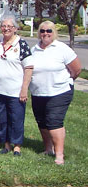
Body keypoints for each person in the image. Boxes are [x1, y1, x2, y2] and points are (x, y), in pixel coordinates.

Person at [29, 21, 81, 165]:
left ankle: (59, 155)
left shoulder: (62, 48)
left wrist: (66, 80)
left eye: (49, 31)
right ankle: (48, 149)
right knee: (42, 122)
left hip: (59, 91)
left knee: (54, 122)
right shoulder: (34, 49)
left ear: (54, 33)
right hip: (38, 92)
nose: (45, 34)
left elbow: (76, 69)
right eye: (43, 31)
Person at [0, 16, 33, 156]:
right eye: (3, 26)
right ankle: (6, 144)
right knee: (1, 118)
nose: (6, 28)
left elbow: (29, 68)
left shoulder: (22, 44)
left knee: (16, 118)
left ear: (15, 28)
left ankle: (17, 146)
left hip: (15, 90)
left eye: (9, 26)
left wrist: (24, 89)